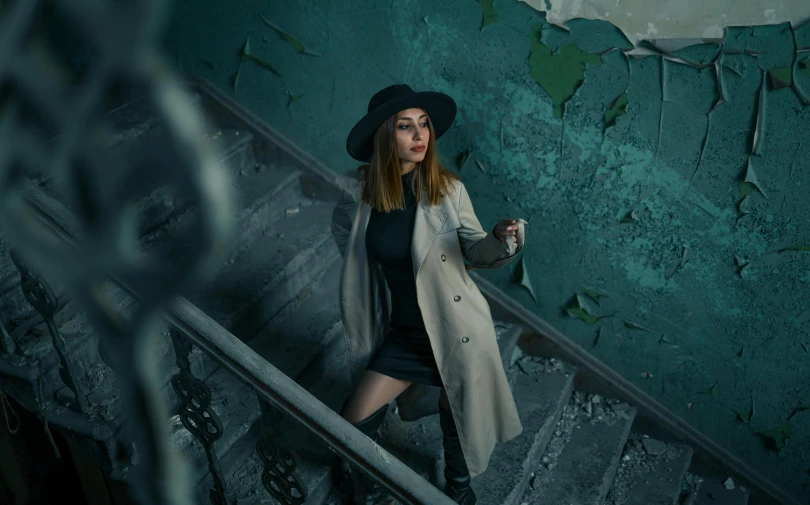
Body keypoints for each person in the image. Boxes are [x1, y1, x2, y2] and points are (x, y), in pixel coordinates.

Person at [330, 84, 525, 505]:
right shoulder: (357, 196)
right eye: (406, 126)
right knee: (350, 422)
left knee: (456, 415)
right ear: (386, 136)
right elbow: (349, 247)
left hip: (454, 329)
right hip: (405, 335)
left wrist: (499, 237)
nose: (420, 136)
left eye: (423, 125)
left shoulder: (447, 189)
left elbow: (475, 250)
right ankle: (360, 480)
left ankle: (458, 488)